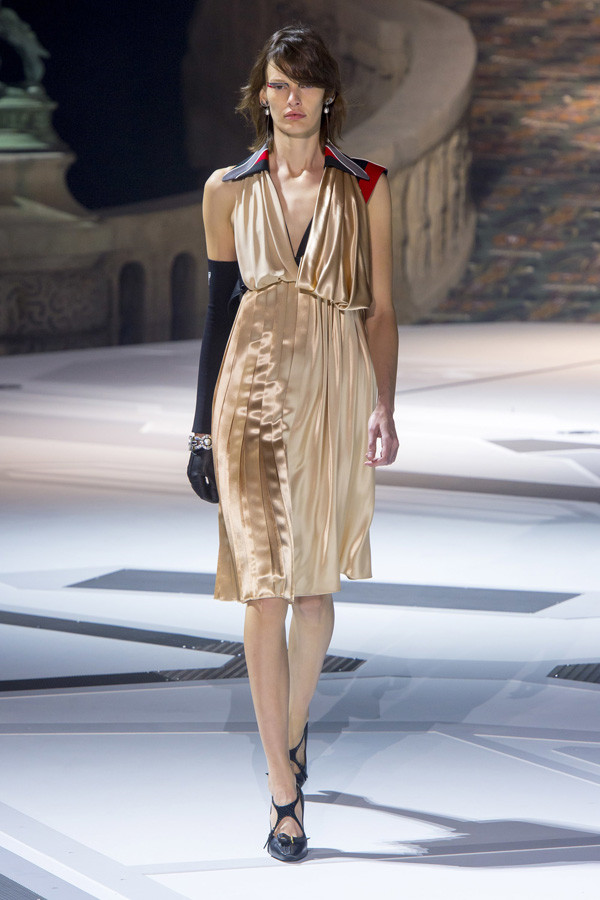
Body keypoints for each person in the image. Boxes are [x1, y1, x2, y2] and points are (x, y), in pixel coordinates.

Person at [188, 22, 399, 862]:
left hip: (335, 399)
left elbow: (381, 312)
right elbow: (216, 314)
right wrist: (200, 430)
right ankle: (285, 792)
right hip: (249, 395)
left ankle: (294, 727)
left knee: (313, 597)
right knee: (265, 592)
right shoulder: (227, 190)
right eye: (278, 84)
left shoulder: (366, 185)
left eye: (305, 83)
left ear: (327, 95)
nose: (292, 98)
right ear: (261, 96)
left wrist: (385, 405)